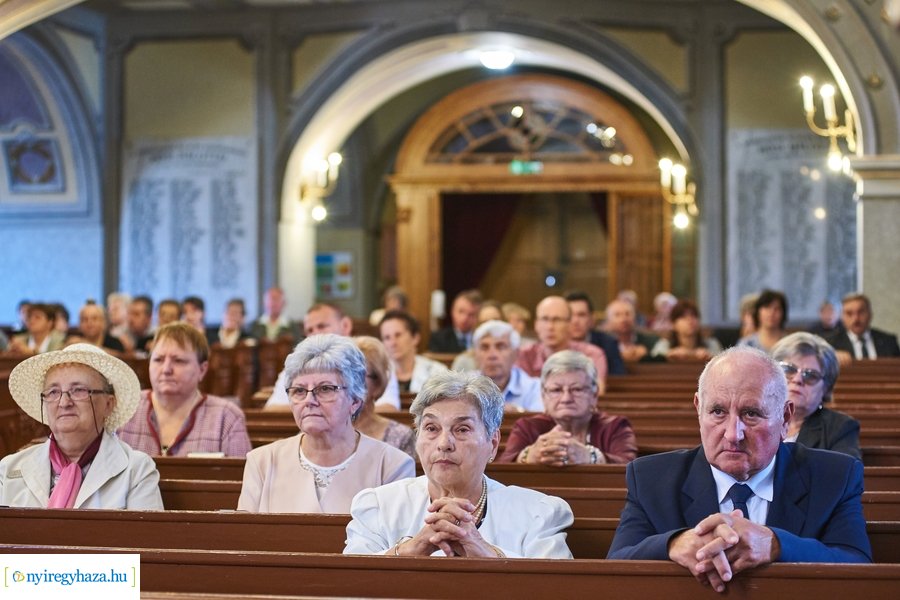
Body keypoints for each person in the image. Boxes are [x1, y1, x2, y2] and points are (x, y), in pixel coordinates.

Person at [607, 347, 871, 593]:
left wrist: (777, 545)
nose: (733, 434)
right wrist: (673, 544)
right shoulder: (651, 478)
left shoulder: (835, 476)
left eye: (751, 414)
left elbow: (858, 566)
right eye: (718, 411)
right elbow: (616, 564)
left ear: (785, 419)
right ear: (699, 409)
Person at [344, 370, 573, 558]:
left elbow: (559, 588)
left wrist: (489, 555)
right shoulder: (379, 506)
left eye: (462, 429)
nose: (444, 444)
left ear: (492, 444)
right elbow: (348, 583)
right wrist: (407, 551)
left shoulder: (537, 513)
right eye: (432, 429)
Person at [239, 334, 415, 512]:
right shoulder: (261, 462)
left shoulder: (393, 465)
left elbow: (400, 539)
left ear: (355, 400)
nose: (309, 400)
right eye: (299, 390)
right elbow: (244, 537)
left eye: (325, 389)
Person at [0, 343, 163, 509]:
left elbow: (147, 535)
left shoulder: (137, 471)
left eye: (79, 390)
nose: (64, 402)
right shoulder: (9, 469)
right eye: (54, 392)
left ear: (108, 404)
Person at [117, 322, 252, 457]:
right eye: (158, 360)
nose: (166, 369)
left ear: (202, 369)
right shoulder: (124, 409)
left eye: (179, 361)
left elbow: (241, 476)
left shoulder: (226, 417)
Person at [499, 350, 637, 465]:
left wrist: (591, 457)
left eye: (576, 389)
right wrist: (529, 456)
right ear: (543, 396)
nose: (566, 399)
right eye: (556, 390)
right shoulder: (527, 427)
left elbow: (630, 468)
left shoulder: (615, 426)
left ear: (594, 395)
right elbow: (501, 471)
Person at [771, 332, 861, 460]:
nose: (797, 379)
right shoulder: (752, 418)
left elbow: (843, 476)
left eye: (811, 375)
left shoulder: (839, 428)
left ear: (826, 389)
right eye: (789, 369)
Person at [516, 296, 608, 393]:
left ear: (569, 324)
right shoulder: (523, 355)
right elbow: (519, 394)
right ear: (536, 324)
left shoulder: (591, 354)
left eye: (557, 320)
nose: (550, 327)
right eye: (544, 319)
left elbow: (596, 391)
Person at [353, 336, 416, 458]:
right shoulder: (327, 431)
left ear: (377, 384)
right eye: (345, 374)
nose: (350, 383)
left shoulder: (400, 436)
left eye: (359, 375)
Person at [472, 320, 542, 412]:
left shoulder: (534, 388)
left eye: (500, 347)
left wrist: (518, 412)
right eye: (485, 347)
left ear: (516, 354)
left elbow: (539, 422)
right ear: (475, 354)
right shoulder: (462, 388)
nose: (492, 355)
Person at [380, 310, 448, 394]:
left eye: (398, 335)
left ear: (415, 338)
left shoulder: (437, 372)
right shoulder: (378, 374)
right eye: (387, 338)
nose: (392, 343)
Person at [827, 292, 900, 364]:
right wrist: (833, 357)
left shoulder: (889, 341)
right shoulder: (831, 344)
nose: (856, 319)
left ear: (870, 314)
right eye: (849, 313)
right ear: (842, 317)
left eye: (861, 312)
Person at [565, 291, 626, 375]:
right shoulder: (555, 343)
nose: (575, 321)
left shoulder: (608, 343)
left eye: (581, 315)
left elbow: (618, 377)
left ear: (591, 318)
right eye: (570, 315)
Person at [651, 299, 723, 361]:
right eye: (683, 317)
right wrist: (669, 354)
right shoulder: (664, 345)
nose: (690, 320)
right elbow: (653, 362)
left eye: (693, 315)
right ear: (673, 324)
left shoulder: (712, 344)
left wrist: (710, 357)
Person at [604, 298, 659, 362]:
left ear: (635, 318)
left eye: (627, 314)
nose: (624, 319)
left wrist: (647, 355)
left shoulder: (650, 339)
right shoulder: (602, 342)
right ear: (608, 321)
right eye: (617, 315)